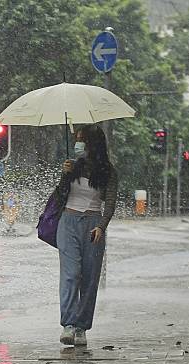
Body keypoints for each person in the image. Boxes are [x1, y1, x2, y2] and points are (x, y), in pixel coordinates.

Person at [54, 124, 118, 346]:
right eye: (77, 139)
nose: (78, 144)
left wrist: (101, 226)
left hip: (93, 225)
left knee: (89, 278)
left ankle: (82, 327)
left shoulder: (108, 171)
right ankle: (68, 325)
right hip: (68, 222)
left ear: (94, 143)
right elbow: (61, 194)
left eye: (83, 139)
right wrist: (65, 174)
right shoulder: (72, 166)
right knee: (71, 274)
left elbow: (109, 203)